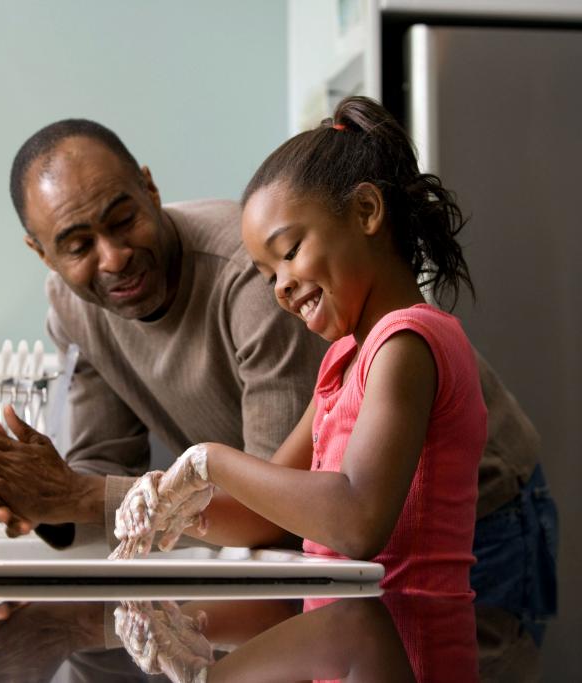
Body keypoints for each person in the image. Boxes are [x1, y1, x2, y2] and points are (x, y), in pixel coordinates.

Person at [0, 116, 556, 601]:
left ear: (150, 188)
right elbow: (250, 511)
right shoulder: (340, 353)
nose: (113, 258)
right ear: (42, 253)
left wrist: (200, 466)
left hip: (474, 530)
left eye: (123, 219)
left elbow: (321, 517)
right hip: (358, 570)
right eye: (76, 245)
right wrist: (47, 500)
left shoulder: (369, 332)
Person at [111, 96, 485, 597]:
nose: (282, 286)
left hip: (407, 636)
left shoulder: (404, 344)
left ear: (366, 211)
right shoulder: (342, 361)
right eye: (269, 276)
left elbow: (357, 520)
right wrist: (178, 506)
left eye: (290, 252)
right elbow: (266, 516)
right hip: (350, 632)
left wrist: (209, 461)